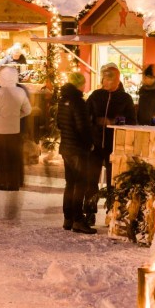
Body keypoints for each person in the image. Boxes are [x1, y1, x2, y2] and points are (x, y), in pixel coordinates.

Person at [85, 63, 137, 220]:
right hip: (95, 144)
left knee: (113, 181)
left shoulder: (125, 99)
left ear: (116, 80)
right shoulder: (95, 96)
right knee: (91, 180)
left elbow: (132, 122)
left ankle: (112, 212)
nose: (104, 82)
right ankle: (89, 211)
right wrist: (95, 121)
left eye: (108, 79)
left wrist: (114, 122)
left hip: (114, 145)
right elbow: (86, 116)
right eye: (103, 78)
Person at [58, 72, 95, 234]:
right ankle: (78, 220)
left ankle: (68, 218)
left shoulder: (63, 100)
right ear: (80, 84)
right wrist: (89, 143)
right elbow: (82, 127)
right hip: (78, 149)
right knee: (80, 184)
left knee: (70, 183)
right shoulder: (78, 102)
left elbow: (60, 124)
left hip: (66, 146)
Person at [0, 65, 31, 191]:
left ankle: (3, 182)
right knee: (13, 157)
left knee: (2, 157)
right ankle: (14, 183)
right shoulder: (20, 92)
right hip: (14, 129)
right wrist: (16, 116)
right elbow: (28, 110)